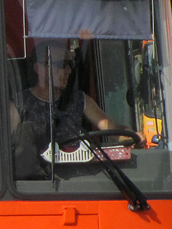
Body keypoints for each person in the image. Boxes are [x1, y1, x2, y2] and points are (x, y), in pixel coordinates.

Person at [9, 40, 136, 174]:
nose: (68, 71)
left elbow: (112, 128)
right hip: (40, 184)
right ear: (39, 69)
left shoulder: (80, 100)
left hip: (77, 180)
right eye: (62, 65)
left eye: (70, 64)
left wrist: (130, 135)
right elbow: (11, 151)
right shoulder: (19, 104)